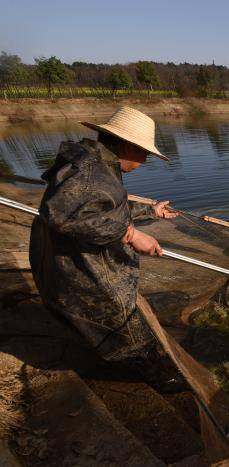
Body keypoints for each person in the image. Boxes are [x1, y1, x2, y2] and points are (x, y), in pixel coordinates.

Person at [29, 106, 180, 385]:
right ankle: (157, 377)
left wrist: (150, 212)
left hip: (62, 267)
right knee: (133, 336)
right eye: (144, 151)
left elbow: (101, 207)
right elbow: (60, 214)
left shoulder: (99, 163)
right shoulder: (90, 172)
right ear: (126, 144)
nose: (146, 158)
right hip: (77, 277)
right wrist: (131, 235)